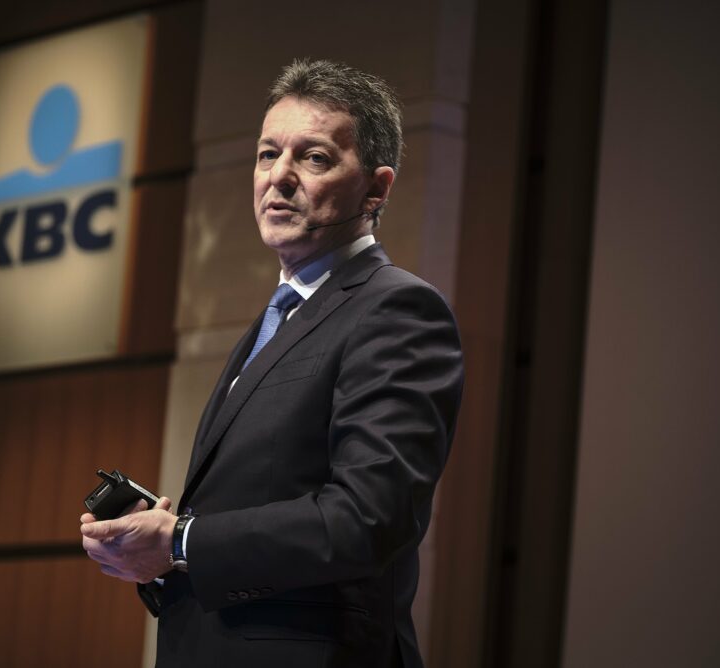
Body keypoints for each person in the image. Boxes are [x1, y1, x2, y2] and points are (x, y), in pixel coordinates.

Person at [81, 59, 463, 668]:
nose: (279, 176)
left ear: (376, 189)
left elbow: (370, 518)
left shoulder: (397, 308)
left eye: (313, 157)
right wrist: (156, 553)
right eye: (267, 154)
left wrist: (181, 540)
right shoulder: (277, 319)